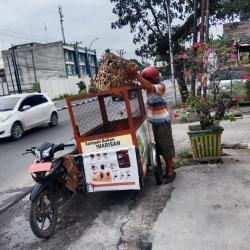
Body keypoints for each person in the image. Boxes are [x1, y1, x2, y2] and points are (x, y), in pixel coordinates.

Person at [126, 66, 176, 184]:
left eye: (146, 79)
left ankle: (171, 172)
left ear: (153, 79)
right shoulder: (147, 88)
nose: (144, 82)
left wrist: (136, 75)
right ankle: (167, 169)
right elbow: (138, 83)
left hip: (163, 123)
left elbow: (148, 85)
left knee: (166, 147)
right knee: (160, 146)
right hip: (155, 123)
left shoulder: (160, 87)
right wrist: (130, 78)